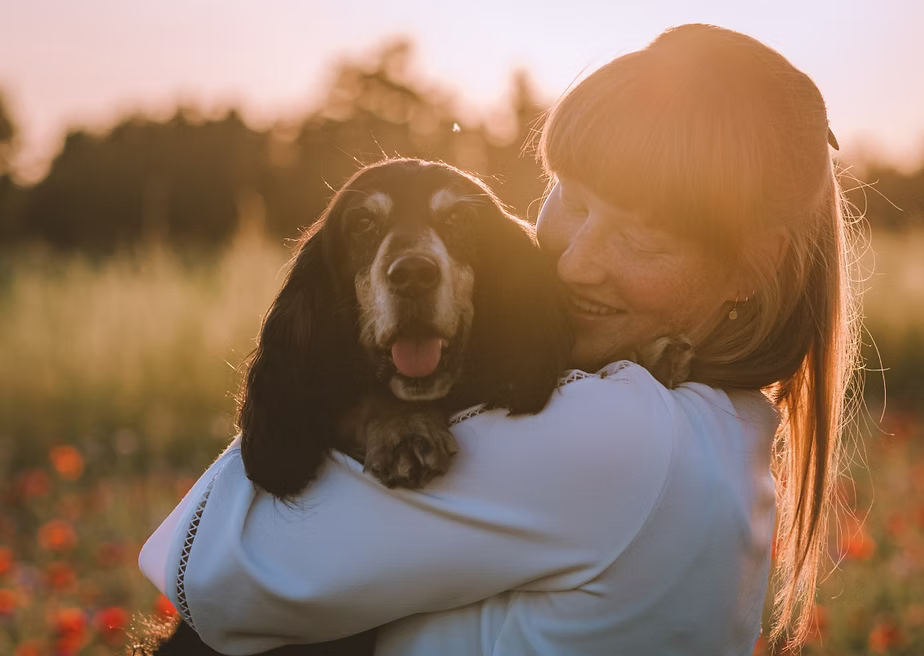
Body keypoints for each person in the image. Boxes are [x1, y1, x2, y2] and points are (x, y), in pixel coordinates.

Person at [140, 23, 860, 655]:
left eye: (642, 240)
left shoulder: (623, 440)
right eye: (571, 200)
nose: (575, 262)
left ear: (752, 270)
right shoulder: (723, 428)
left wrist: (354, 400)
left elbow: (208, 572)